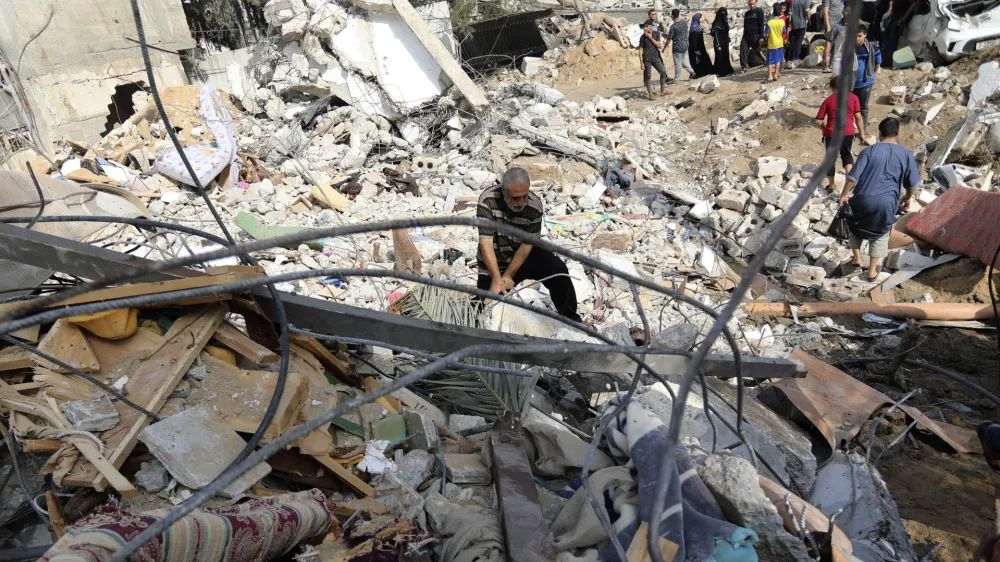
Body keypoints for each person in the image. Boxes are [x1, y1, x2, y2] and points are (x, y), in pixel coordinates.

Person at [476, 168, 581, 322]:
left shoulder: (534, 206)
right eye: (516, 198)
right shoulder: (487, 200)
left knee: (556, 268)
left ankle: (571, 318)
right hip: (493, 260)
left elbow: (527, 245)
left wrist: (509, 275)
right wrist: (497, 278)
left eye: (525, 196)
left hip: (521, 257)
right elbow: (486, 242)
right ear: (504, 191)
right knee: (485, 304)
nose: (522, 203)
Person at [838, 118, 919, 282]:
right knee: (880, 232)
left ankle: (857, 258)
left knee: (854, 225)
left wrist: (844, 195)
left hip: (862, 198)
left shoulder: (869, 151)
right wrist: (907, 198)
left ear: (880, 133)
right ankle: (872, 271)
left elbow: (853, 177)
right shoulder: (906, 155)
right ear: (898, 133)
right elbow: (912, 185)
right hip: (887, 203)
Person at [816, 76, 867, 191]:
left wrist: (824, 129)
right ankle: (850, 180)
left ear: (832, 88)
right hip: (848, 132)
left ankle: (832, 185)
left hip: (831, 133)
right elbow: (858, 117)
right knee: (846, 154)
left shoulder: (828, 100)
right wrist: (862, 133)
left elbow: (818, 121)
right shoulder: (853, 98)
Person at [834, 23, 880, 130]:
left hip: (865, 83)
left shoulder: (872, 47)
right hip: (850, 83)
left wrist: (873, 74)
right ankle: (848, 128)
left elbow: (878, 62)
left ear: (865, 35)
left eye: (859, 36)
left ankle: (863, 128)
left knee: (863, 107)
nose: (856, 38)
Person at [639, 21, 668, 98]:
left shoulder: (656, 34)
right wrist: (641, 62)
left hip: (655, 57)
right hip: (646, 58)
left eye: (647, 26)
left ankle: (663, 90)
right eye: (644, 27)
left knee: (663, 72)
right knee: (648, 76)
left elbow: (658, 45)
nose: (645, 28)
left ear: (651, 26)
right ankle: (650, 94)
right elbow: (641, 50)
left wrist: (650, 38)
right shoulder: (642, 37)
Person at [882, 0, 916, 68]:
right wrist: (891, 12)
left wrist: (903, 18)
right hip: (894, 17)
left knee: (892, 40)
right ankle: (887, 60)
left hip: (900, 18)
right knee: (886, 37)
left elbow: (913, 4)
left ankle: (890, 61)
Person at [664, 8, 694, 81]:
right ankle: (692, 71)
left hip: (677, 47)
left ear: (673, 16)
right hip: (685, 45)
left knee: (678, 63)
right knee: (683, 61)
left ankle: (676, 79)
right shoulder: (684, 23)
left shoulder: (673, 26)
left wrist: (664, 47)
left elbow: (669, 38)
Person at [740, 0, 767, 71]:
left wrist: (761, 36)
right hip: (746, 36)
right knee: (743, 49)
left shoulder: (759, 12)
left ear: (756, 3)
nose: (752, 6)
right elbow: (745, 25)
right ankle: (744, 66)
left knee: (758, 50)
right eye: (750, 4)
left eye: (753, 4)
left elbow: (761, 24)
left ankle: (766, 61)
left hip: (755, 36)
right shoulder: (747, 14)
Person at [823, 2, 849, 71]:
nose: (849, 13)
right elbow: (829, 42)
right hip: (839, 60)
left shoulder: (857, 26)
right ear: (843, 12)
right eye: (847, 11)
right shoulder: (837, 27)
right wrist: (826, 57)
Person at [688, 13, 715, 78]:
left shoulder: (696, 27)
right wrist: (696, 49)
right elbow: (694, 39)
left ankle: (701, 73)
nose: (701, 19)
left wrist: (696, 49)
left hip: (697, 48)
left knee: (699, 61)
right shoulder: (695, 27)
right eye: (700, 18)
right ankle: (702, 72)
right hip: (696, 48)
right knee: (699, 61)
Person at [711, 8, 735, 77]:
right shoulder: (716, 23)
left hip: (725, 43)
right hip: (719, 44)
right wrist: (718, 45)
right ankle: (720, 72)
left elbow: (726, 31)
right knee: (719, 57)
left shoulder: (725, 22)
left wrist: (728, 39)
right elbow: (716, 35)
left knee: (725, 56)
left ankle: (727, 70)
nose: (724, 16)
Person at [765, 4, 787, 81]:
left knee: (770, 61)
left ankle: (770, 76)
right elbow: (784, 32)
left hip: (772, 44)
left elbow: (767, 34)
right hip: (780, 43)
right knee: (778, 59)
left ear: (773, 12)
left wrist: (766, 38)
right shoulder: (782, 22)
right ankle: (776, 74)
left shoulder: (769, 23)